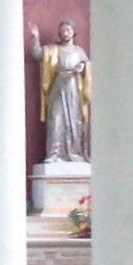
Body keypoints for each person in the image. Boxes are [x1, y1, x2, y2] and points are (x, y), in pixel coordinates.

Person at [29, 20, 91, 163]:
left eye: (68, 30)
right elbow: (37, 54)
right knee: (56, 118)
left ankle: (75, 152)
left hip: (74, 87)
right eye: (62, 31)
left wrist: (83, 67)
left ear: (73, 32)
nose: (65, 33)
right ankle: (54, 153)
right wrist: (35, 38)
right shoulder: (53, 49)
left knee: (75, 120)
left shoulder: (79, 51)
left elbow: (87, 65)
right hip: (59, 86)